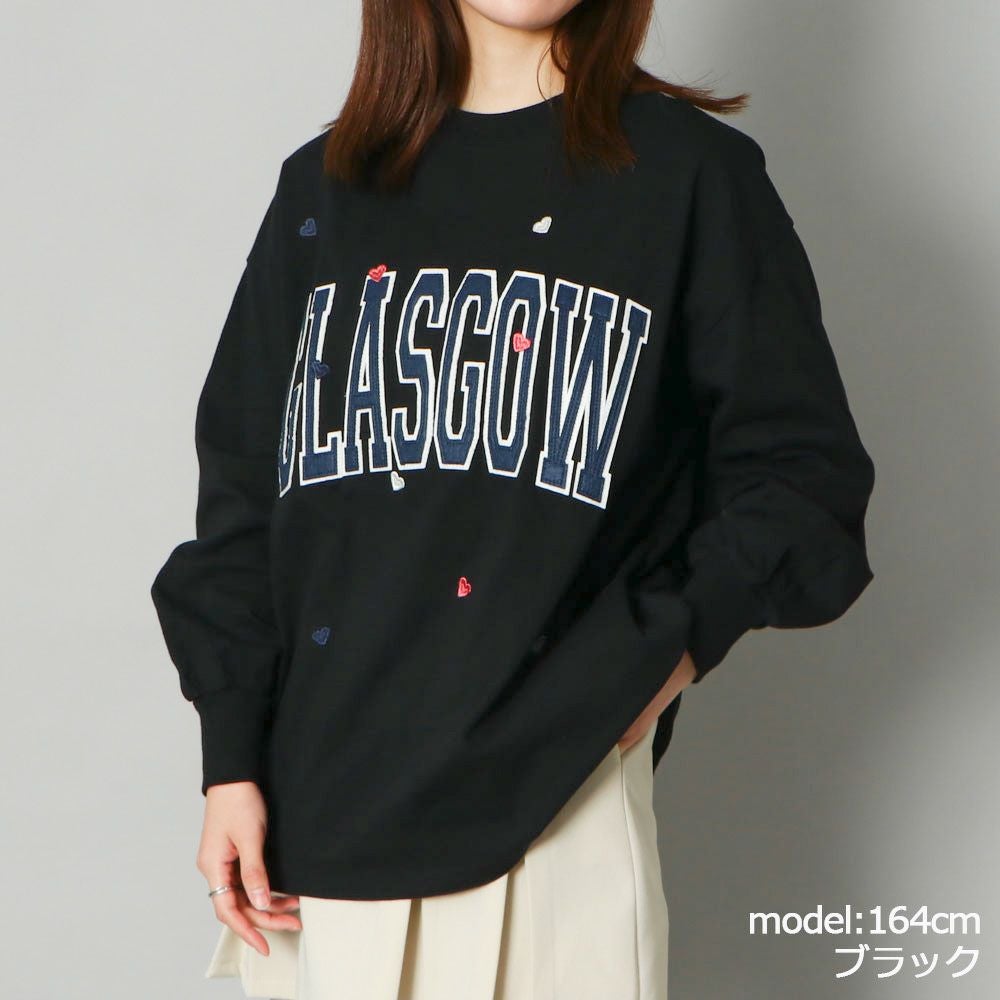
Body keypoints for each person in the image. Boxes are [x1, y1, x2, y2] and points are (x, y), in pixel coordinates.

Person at [149, 1, 877, 997]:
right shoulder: (324, 187)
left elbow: (801, 474)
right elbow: (246, 496)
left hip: (550, 804)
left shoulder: (688, 174)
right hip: (312, 821)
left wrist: (662, 653)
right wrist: (230, 758)